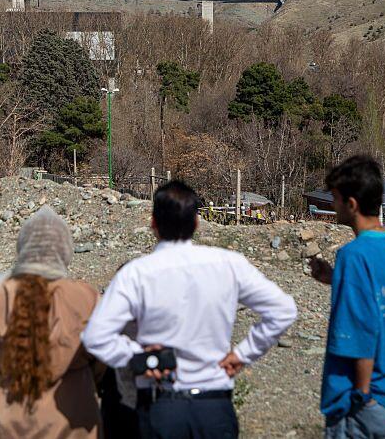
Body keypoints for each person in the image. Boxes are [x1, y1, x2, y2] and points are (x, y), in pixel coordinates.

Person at [81, 180, 298, 439]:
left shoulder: (136, 274)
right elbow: (283, 309)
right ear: (197, 222)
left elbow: (95, 336)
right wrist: (243, 353)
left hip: (161, 405)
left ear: (153, 224)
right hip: (214, 407)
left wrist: (136, 357)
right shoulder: (229, 264)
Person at [0, 205, 102, 438]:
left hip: (4, 420)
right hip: (69, 419)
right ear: (65, 248)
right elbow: (103, 359)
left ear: (22, 246)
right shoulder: (86, 297)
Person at [309, 155, 385, 438]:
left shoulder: (353, 256)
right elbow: (380, 301)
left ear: (352, 204)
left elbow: (361, 334)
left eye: (335, 198)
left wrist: (362, 395)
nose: (333, 206)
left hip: (363, 406)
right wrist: (335, 279)